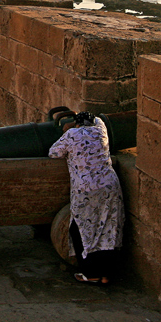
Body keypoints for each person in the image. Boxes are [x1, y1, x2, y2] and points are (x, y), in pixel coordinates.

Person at [48, 111, 124, 285]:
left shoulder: (72, 134)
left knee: (82, 229)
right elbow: (98, 119)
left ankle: (91, 273)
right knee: (108, 228)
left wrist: (67, 130)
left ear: (77, 124)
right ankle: (106, 274)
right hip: (109, 186)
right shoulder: (101, 130)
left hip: (86, 190)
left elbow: (54, 153)